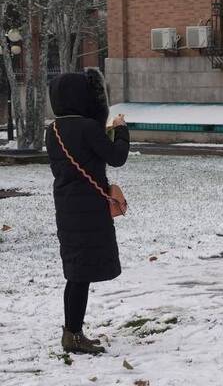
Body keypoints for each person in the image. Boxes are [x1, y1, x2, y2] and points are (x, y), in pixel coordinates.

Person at [46, 68, 129, 354]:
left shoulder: (53, 129)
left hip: (66, 205)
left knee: (75, 271)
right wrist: (121, 130)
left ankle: (72, 331)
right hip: (90, 208)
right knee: (81, 274)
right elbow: (116, 157)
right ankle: (73, 335)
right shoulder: (88, 128)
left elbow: (79, 153)